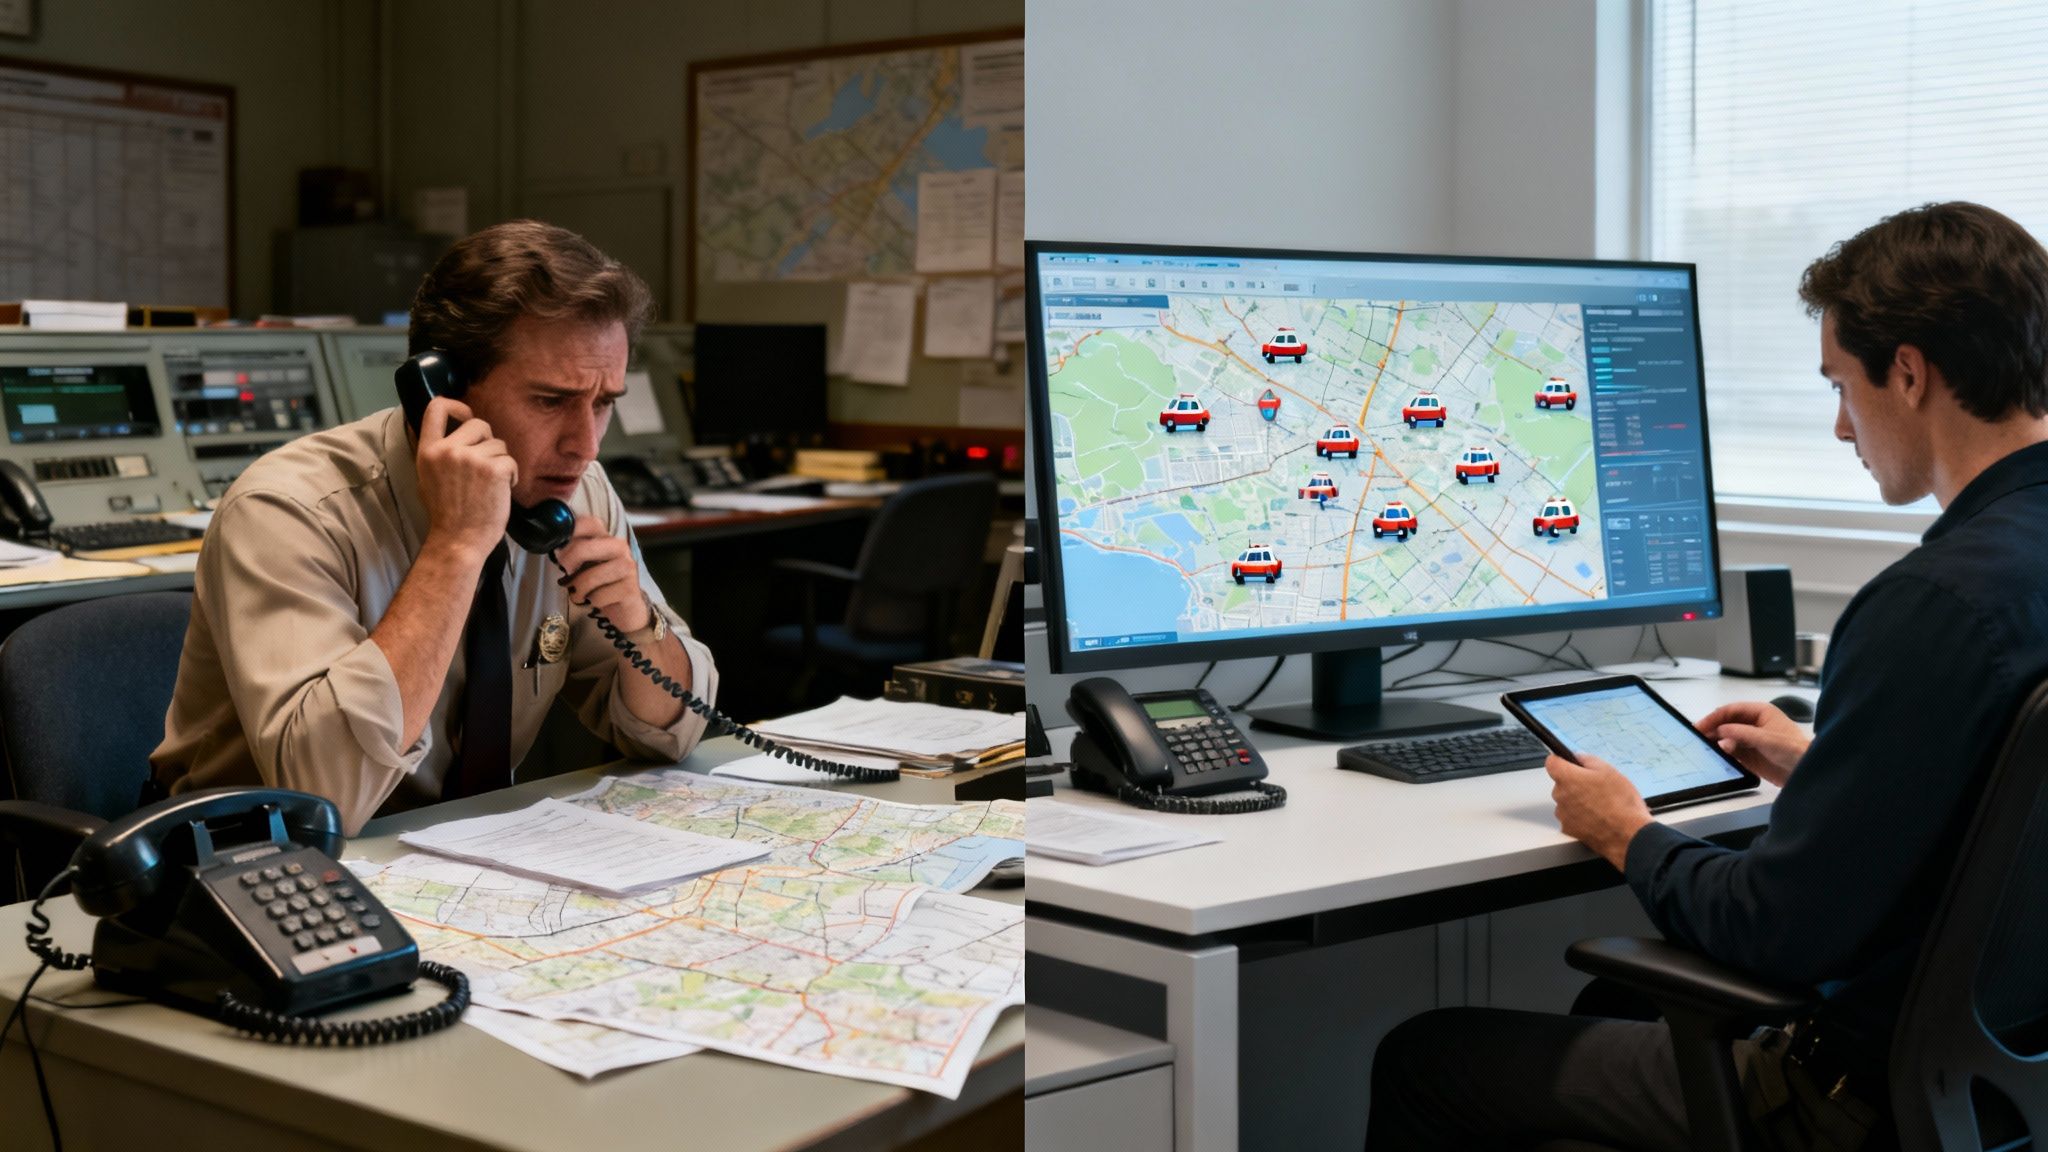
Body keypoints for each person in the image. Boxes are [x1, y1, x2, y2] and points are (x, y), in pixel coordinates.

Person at [1366, 201, 2048, 1150]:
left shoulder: (1931, 605)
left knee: (1427, 1058)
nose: (1842, 426)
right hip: (2006, 1088)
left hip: (1851, 1095)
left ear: (1909, 372)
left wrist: (1628, 833)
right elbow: (1997, 822)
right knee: (1619, 995)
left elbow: (1778, 933)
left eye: (1844, 385)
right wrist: (1828, 770)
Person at [150, 220, 717, 835]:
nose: (584, 444)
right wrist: (455, 546)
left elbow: (675, 731)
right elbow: (321, 795)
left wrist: (638, 623)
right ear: (443, 393)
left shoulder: (577, 493)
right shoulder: (287, 510)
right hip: (256, 859)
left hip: (457, 856)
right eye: (550, 401)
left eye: (604, 402)